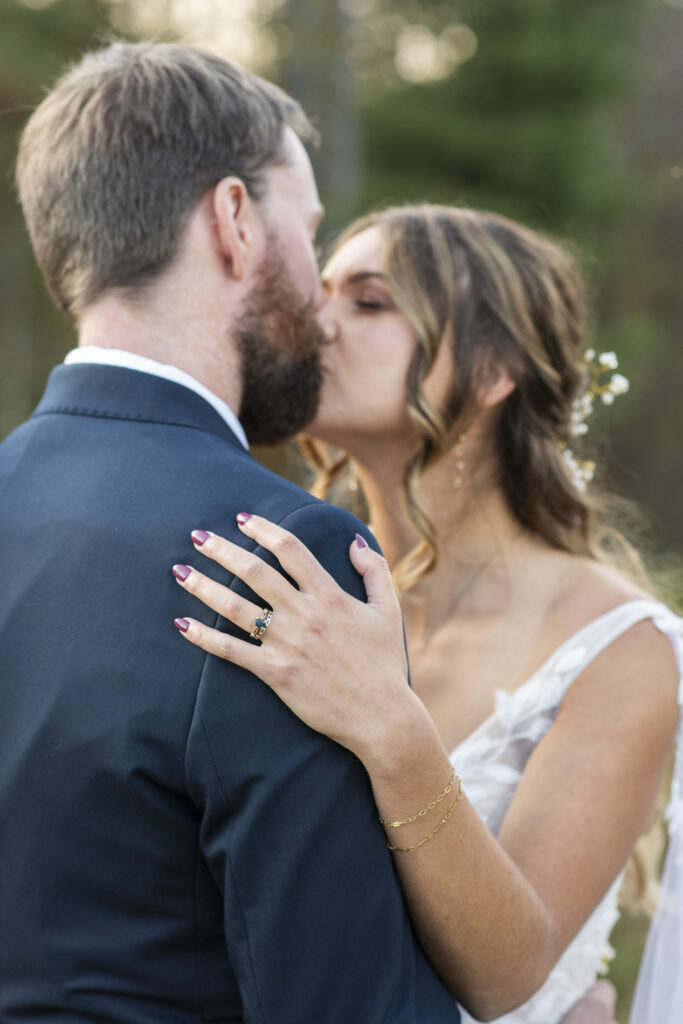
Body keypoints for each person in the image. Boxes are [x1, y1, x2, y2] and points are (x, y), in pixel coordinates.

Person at [0, 42, 468, 1022]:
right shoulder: (279, 555)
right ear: (234, 221)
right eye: (310, 230)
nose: (319, 300)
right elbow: (349, 1000)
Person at [172, 205, 683, 1023]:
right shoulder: (309, 604)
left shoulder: (619, 647)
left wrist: (388, 724)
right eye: (323, 290)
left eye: (368, 303)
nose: (317, 322)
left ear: (491, 371)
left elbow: (504, 974)